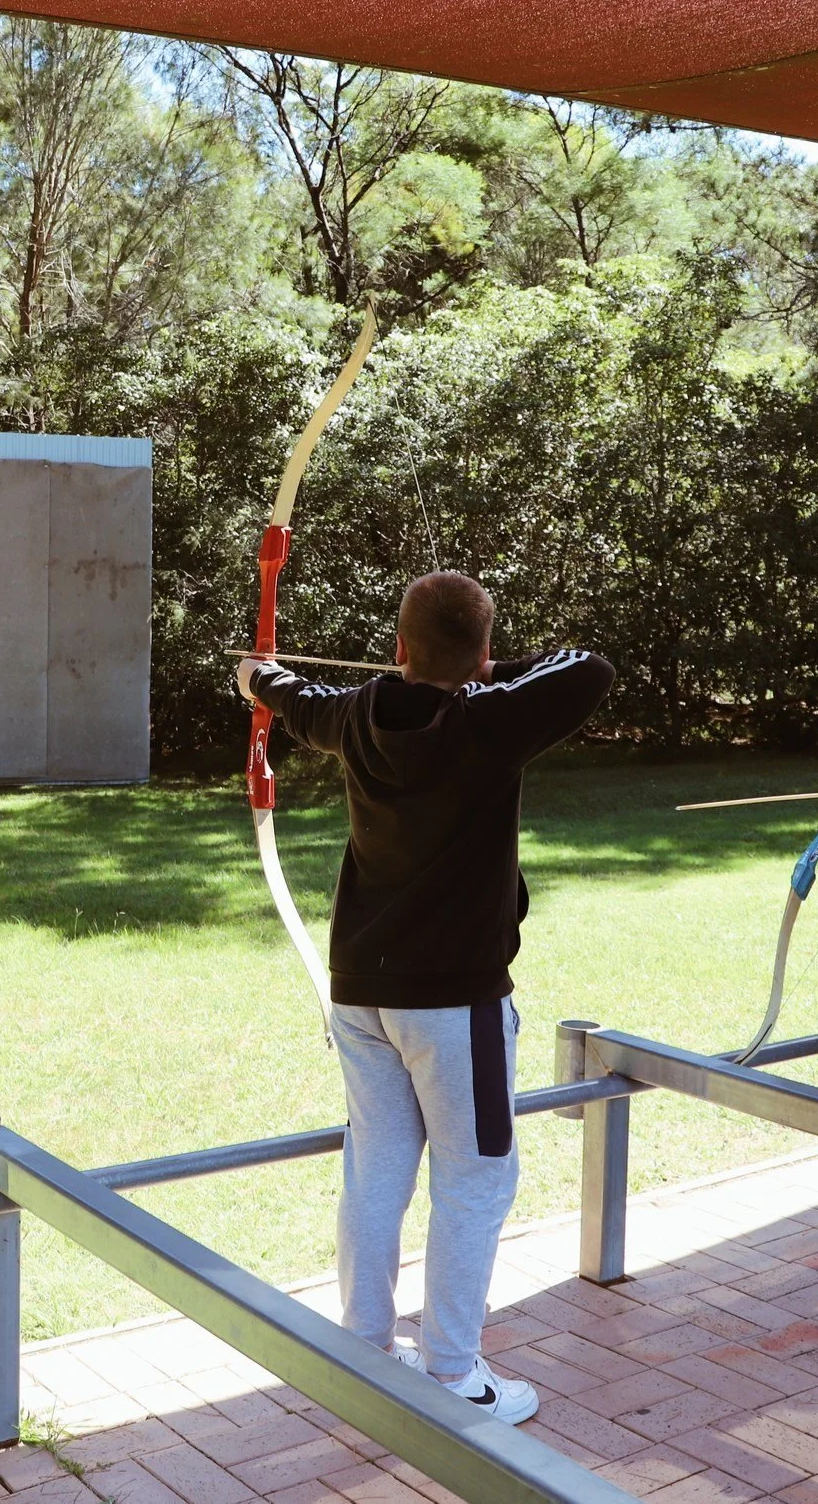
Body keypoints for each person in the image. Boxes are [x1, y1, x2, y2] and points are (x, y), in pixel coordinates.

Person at [237, 572, 612, 1424]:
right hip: (453, 1003)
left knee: (377, 1165)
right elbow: (589, 666)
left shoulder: (358, 713)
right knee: (476, 1178)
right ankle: (451, 1374)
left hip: (361, 994)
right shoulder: (486, 720)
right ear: (480, 656)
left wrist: (256, 678)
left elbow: (294, 696)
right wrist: (486, 669)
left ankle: (364, 1347)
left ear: (399, 648)